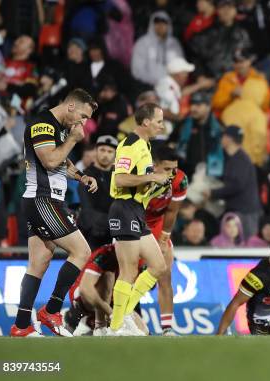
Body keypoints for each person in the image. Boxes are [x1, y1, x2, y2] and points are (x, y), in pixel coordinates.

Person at [10, 88, 99, 337]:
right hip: (43, 200)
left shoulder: (58, 128)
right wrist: (72, 140)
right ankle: (52, 309)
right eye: (82, 115)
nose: (83, 122)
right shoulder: (43, 125)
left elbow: (61, 162)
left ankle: (21, 325)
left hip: (43, 200)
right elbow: (49, 160)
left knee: (39, 262)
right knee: (81, 251)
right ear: (70, 106)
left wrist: (80, 176)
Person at [107, 103, 170, 336]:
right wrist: (152, 176)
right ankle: (115, 327)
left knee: (158, 266)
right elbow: (121, 179)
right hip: (123, 209)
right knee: (128, 270)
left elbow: (139, 183)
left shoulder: (146, 145)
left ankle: (123, 316)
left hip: (136, 211)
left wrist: (157, 186)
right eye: (159, 121)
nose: (162, 126)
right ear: (145, 122)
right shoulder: (130, 144)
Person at [143, 146, 188, 335]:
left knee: (165, 274)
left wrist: (164, 239)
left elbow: (172, 210)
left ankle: (167, 328)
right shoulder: (141, 174)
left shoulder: (180, 179)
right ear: (154, 165)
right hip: (135, 221)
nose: (172, 174)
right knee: (125, 273)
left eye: (174, 169)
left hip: (158, 224)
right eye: (167, 169)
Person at [204, 126, 262, 239]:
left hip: (245, 213)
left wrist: (213, 193)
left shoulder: (240, 159)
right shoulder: (235, 158)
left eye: (223, 136)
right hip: (240, 211)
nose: (221, 139)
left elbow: (237, 185)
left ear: (229, 139)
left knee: (245, 249)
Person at [78, 135, 118, 249]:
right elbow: (87, 210)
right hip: (92, 235)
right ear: (96, 151)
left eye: (110, 151)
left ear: (115, 154)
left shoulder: (118, 177)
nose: (105, 155)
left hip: (114, 233)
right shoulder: (86, 176)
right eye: (102, 150)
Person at [131, 11, 184, 87]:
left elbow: (181, 67)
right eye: (157, 22)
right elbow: (137, 71)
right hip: (147, 86)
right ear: (152, 24)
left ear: (169, 25)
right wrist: (155, 82)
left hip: (172, 87)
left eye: (164, 22)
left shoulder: (174, 44)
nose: (160, 25)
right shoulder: (143, 43)